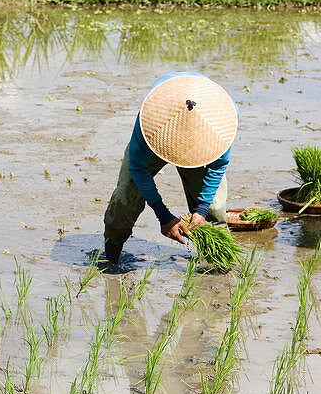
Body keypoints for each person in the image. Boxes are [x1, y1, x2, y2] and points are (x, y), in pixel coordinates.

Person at [102, 72, 238, 266]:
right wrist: (163, 216)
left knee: (214, 209)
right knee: (125, 196)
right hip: (159, 136)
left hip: (201, 145)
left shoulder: (222, 119)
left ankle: (216, 268)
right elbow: (138, 168)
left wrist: (201, 209)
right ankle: (110, 259)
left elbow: (218, 165)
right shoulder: (150, 121)